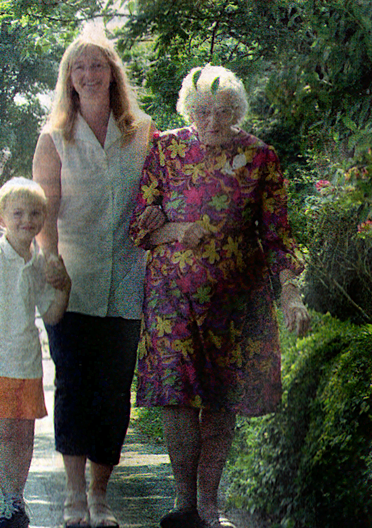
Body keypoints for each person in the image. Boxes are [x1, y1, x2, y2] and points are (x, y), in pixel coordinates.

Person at [129, 65, 311, 528]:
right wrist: (172, 228)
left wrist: (290, 294)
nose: (213, 121)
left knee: (222, 401)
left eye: (225, 111)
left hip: (236, 299)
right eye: (203, 111)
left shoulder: (260, 156)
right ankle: (182, 499)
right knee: (176, 396)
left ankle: (209, 502)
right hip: (172, 299)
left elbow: (277, 235)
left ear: (238, 112)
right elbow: (137, 229)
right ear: (189, 110)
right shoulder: (165, 149)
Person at [32, 23, 154, 528]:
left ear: (112, 74)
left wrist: (158, 217)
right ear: (68, 77)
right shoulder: (54, 137)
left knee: (114, 390)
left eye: (97, 65)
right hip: (71, 284)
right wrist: (53, 261)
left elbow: (157, 196)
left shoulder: (143, 131)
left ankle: (101, 498)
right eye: (78, 67)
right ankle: (73, 496)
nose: (88, 74)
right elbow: (43, 213)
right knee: (75, 388)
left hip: (127, 280)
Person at [0, 177, 71, 528]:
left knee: (25, 435)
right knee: (3, 432)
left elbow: (51, 313)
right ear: (1, 218)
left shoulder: (39, 261)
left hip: (27, 362)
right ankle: (9, 497)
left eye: (35, 213)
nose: (27, 220)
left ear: (43, 219)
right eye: (18, 213)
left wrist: (64, 288)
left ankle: (18, 499)